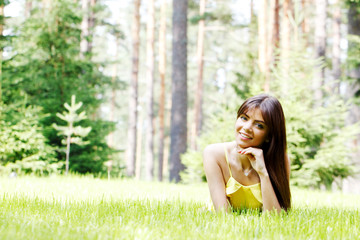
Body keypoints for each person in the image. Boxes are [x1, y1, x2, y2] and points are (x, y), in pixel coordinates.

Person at [203, 94, 291, 213]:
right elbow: (223, 216)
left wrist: (263, 173)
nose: (247, 127)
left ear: (269, 135)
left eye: (259, 125)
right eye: (244, 118)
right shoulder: (213, 154)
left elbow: (274, 218)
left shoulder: (280, 160)